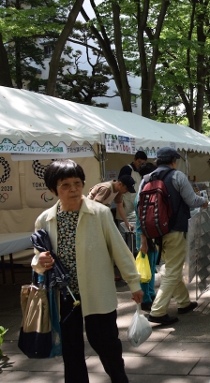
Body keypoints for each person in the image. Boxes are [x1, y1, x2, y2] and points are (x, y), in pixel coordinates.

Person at [32, 159, 142, 383]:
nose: (73, 189)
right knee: (71, 349)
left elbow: (120, 250)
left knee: (107, 344)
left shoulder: (99, 213)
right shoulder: (45, 220)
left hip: (96, 291)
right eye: (65, 185)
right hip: (64, 296)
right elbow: (38, 257)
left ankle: (119, 380)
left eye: (77, 183)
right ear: (53, 189)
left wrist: (134, 283)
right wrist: (39, 261)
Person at [143, 147, 208, 325]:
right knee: (172, 269)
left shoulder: (146, 178)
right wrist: (205, 202)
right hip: (175, 230)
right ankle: (157, 312)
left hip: (155, 232)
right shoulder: (177, 176)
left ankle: (184, 302)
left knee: (171, 266)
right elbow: (192, 200)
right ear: (173, 160)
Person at [134, 162, 159, 311]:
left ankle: (150, 293)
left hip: (151, 237)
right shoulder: (142, 195)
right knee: (145, 270)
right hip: (145, 238)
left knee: (151, 267)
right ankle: (145, 299)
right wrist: (143, 241)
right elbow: (140, 222)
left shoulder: (146, 191)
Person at [118, 150, 148, 223]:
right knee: (123, 225)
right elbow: (119, 187)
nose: (140, 165)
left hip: (135, 204)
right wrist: (120, 201)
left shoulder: (142, 172)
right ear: (134, 159)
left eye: (142, 163)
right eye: (139, 162)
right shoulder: (127, 169)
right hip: (125, 203)